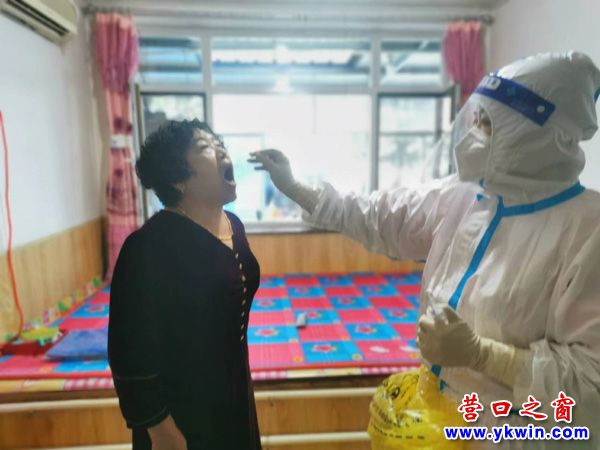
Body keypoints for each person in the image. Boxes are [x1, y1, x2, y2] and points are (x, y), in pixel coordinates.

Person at [249, 51, 600, 449]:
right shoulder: (466, 195)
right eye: (476, 119)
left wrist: (484, 356)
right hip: (444, 418)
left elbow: (591, 385)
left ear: (535, 136)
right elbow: (381, 216)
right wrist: (297, 189)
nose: (474, 134)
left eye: (488, 124)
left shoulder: (587, 231)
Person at [109, 119, 262, 450]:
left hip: (234, 388)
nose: (221, 150)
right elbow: (128, 353)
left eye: (219, 144)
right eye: (205, 147)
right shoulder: (147, 247)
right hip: (182, 408)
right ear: (178, 179)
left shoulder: (234, 225)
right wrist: (159, 428)